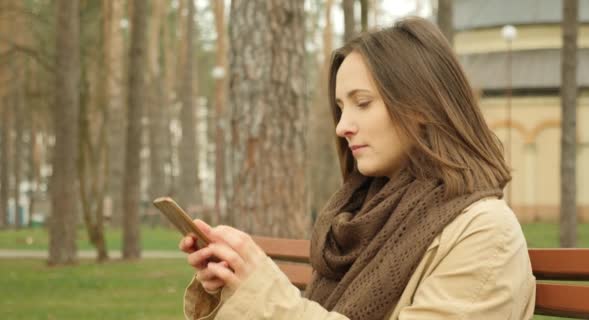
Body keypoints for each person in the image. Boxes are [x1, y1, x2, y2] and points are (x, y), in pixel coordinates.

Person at [179, 16, 536, 320]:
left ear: (423, 106)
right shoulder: (358, 220)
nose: (342, 126)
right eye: (341, 107)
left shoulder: (486, 234)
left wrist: (262, 293)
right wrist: (235, 286)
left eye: (362, 103)